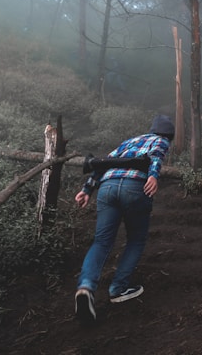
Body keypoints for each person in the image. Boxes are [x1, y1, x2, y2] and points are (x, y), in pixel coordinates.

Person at [74, 115, 175, 324]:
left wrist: (87, 189)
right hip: (134, 187)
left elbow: (103, 163)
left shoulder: (130, 141)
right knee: (136, 239)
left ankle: (85, 287)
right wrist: (154, 175)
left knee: (101, 241)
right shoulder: (161, 140)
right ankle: (118, 288)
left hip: (108, 187)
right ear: (168, 135)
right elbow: (156, 155)